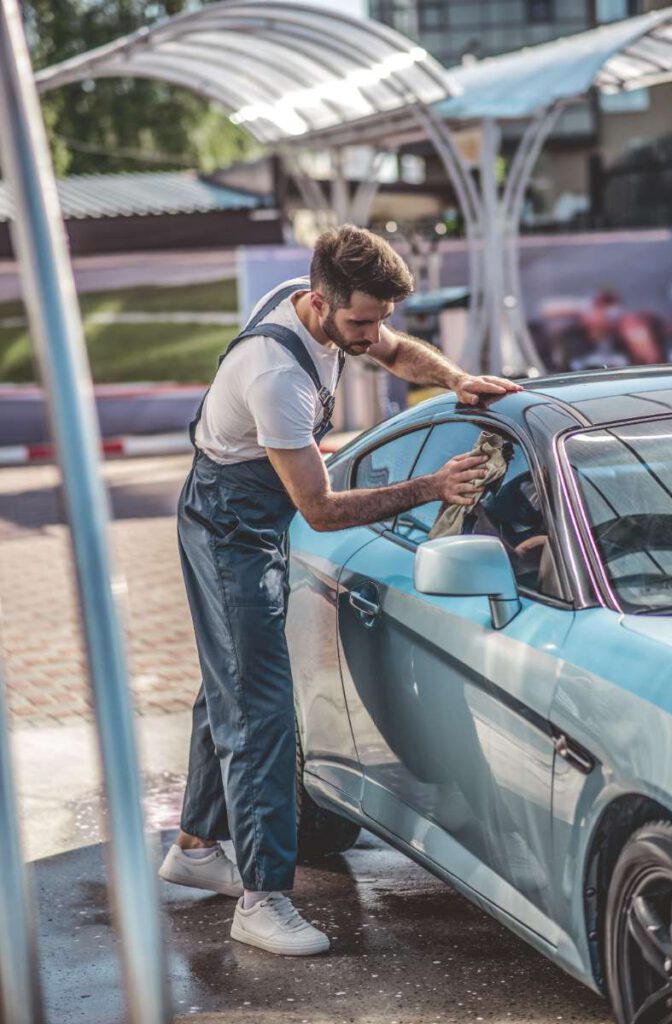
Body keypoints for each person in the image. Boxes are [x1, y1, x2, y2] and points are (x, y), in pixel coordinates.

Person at [158, 225, 522, 956]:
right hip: (229, 526)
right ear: (319, 303)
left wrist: (454, 380)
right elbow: (319, 509)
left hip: (240, 511)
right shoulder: (277, 375)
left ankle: (196, 847)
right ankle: (262, 899)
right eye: (361, 320)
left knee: (226, 685)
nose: (375, 334)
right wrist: (430, 486)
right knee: (261, 710)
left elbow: (393, 350)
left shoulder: (323, 314)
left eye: (381, 316)